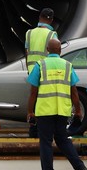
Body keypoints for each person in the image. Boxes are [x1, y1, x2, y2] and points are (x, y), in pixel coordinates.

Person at [26, 38, 87, 170]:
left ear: (47, 50)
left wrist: (30, 112)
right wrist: (78, 110)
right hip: (62, 111)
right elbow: (74, 92)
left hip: (44, 111)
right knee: (63, 140)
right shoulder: (67, 66)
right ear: (60, 50)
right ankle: (80, 167)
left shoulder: (40, 65)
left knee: (46, 143)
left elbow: (33, 93)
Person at [25, 8, 58, 137]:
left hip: (32, 70)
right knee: (44, 101)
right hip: (46, 70)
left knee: (33, 97)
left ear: (39, 17)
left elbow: (27, 53)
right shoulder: (51, 34)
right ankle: (43, 129)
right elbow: (54, 52)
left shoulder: (29, 33)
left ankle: (33, 127)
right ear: (52, 20)